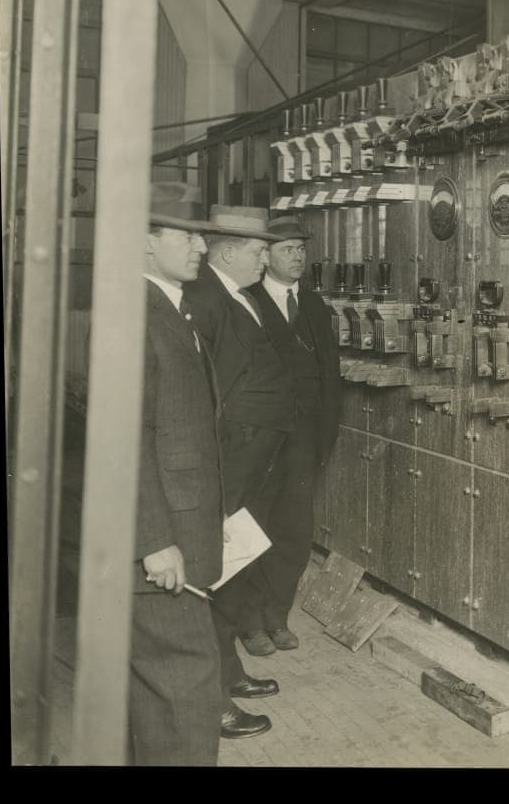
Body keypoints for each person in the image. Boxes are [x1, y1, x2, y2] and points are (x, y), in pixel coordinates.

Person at [183, 205, 291, 740]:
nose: (265, 258)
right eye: (257, 250)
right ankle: (213, 695)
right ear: (226, 251)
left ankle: (228, 671)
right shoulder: (206, 299)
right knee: (216, 575)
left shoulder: (235, 296)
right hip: (230, 460)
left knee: (234, 569)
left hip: (251, 458)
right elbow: (209, 394)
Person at [132, 183, 223, 765]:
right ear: (145, 241)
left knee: (160, 689)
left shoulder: (170, 308)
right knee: (186, 679)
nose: (201, 246)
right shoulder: (142, 317)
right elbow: (126, 439)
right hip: (165, 541)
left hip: (181, 528)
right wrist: (154, 540)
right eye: (186, 235)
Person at [243, 216, 341, 651]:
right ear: (265, 256)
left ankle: (276, 616)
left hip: (302, 441)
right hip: (260, 441)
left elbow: (329, 376)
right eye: (287, 249)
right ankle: (248, 622)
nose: (298, 255)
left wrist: (325, 437)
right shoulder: (247, 303)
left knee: (295, 532)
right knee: (253, 528)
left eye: (301, 248)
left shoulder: (316, 306)